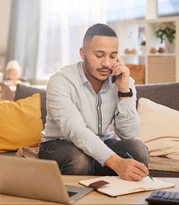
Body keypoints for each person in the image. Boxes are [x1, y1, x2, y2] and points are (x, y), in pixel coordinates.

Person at [39, 23, 149, 181]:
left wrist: (124, 90)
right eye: (99, 55)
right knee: (79, 160)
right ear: (82, 53)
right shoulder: (60, 80)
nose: (107, 64)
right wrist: (117, 163)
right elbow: (76, 131)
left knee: (138, 151)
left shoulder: (124, 81)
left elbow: (129, 134)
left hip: (102, 142)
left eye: (112, 56)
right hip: (60, 144)